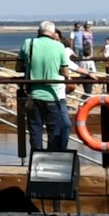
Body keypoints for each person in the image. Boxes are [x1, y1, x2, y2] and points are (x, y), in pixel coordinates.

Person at [17, 21, 72, 159]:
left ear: (38, 31)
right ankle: (51, 162)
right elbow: (65, 71)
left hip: (33, 95)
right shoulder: (59, 46)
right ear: (53, 33)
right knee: (54, 132)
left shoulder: (28, 43)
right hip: (53, 96)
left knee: (35, 131)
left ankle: (36, 162)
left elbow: (18, 67)